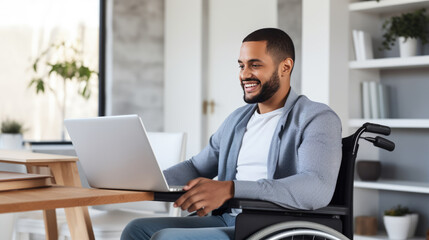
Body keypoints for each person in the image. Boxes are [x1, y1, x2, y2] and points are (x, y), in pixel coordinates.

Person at [121, 28, 342, 240]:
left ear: (285, 67)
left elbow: (316, 186)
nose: (244, 75)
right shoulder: (238, 119)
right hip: (228, 219)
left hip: (272, 226)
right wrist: (148, 181)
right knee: (137, 230)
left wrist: (230, 189)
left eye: (255, 65)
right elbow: (197, 167)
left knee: (166, 238)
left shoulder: (317, 118)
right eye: (241, 65)